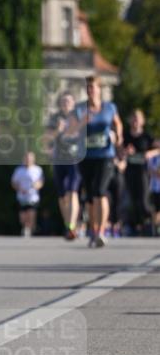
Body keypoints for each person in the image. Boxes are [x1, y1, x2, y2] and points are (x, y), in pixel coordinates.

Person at [67, 75, 123, 247]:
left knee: (100, 190)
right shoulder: (79, 109)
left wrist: (118, 136)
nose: (91, 90)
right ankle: (94, 229)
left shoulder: (109, 107)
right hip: (86, 157)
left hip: (105, 155)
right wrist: (82, 123)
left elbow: (118, 124)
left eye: (93, 87)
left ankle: (101, 232)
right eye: (88, 87)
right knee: (91, 196)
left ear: (100, 89)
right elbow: (70, 131)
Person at [45, 92, 81, 239]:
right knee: (62, 195)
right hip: (59, 160)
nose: (66, 104)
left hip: (75, 160)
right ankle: (68, 224)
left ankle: (72, 226)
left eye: (68, 101)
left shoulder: (78, 117)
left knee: (72, 191)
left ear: (73, 104)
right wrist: (58, 131)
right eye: (63, 102)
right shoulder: (54, 119)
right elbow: (47, 139)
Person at [122, 109, 155, 235]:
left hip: (143, 172)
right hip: (129, 171)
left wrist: (149, 153)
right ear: (130, 120)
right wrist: (125, 152)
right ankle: (135, 226)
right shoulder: (126, 136)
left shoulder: (146, 136)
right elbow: (119, 151)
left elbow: (158, 149)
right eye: (133, 117)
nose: (135, 120)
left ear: (142, 121)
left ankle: (149, 224)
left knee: (144, 201)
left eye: (138, 118)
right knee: (131, 200)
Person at [11, 151, 44, 236]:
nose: (28, 160)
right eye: (27, 158)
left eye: (30, 158)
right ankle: (26, 227)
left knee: (31, 214)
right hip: (21, 197)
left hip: (33, 197)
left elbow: (41, 182)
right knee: (22, 217)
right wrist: (19, 189)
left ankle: (29, 229)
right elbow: (14, 183)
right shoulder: (19, 170)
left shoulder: (38, 170)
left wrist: (36, 186)